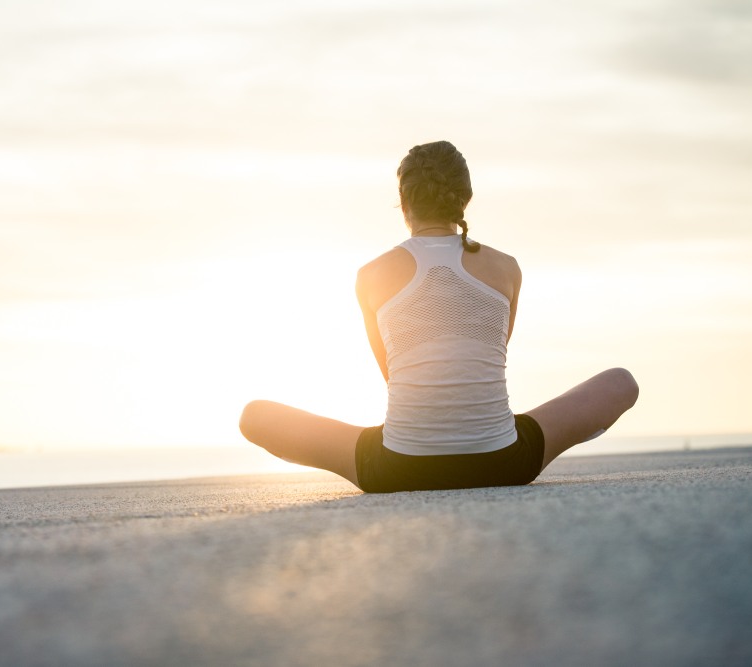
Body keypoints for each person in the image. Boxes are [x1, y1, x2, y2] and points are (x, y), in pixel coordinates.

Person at [239, 140, 639, 493]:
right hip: (505, 460)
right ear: (465, 198)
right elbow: (492, 354)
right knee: (621, 382)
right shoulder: (506, 268)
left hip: (396, 467)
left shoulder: (371, 275)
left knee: (254, 416)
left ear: (404, 201)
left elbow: (393, 374)